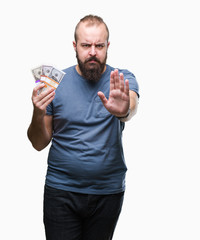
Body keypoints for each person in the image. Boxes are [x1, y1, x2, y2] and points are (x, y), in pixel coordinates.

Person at [27, 15, 139, 240]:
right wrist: (38, 112)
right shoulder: (53, 82)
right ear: (75, 46)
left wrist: (123, 110)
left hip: (108, 191)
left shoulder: (122, 79)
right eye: (86, 45)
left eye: (99, 45)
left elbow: (131, 107)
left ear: (107, 46)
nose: (92, 52)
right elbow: (38, 144)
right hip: (61, 191)